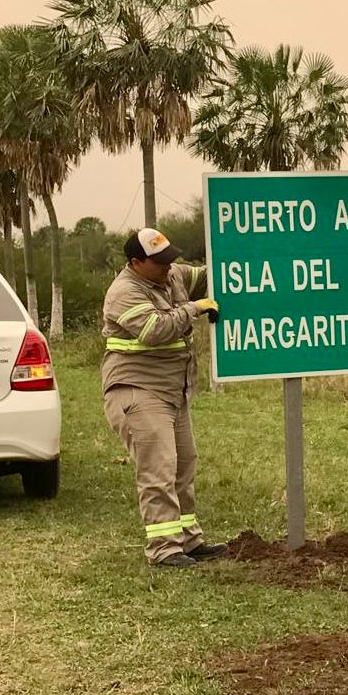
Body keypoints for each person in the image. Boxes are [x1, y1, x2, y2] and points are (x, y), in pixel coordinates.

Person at [101, 228, 226, 568]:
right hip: (138, 389)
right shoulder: (123, 292)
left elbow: (210, 272)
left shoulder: (173, 275)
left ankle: (188, 539)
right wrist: (194, 308)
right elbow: (155, 330)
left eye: (170, 259)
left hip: (174, 390)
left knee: (184, 462)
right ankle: (164, 548)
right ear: (135, 262)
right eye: (160, 263)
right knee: (159, 467)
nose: (169, 268)